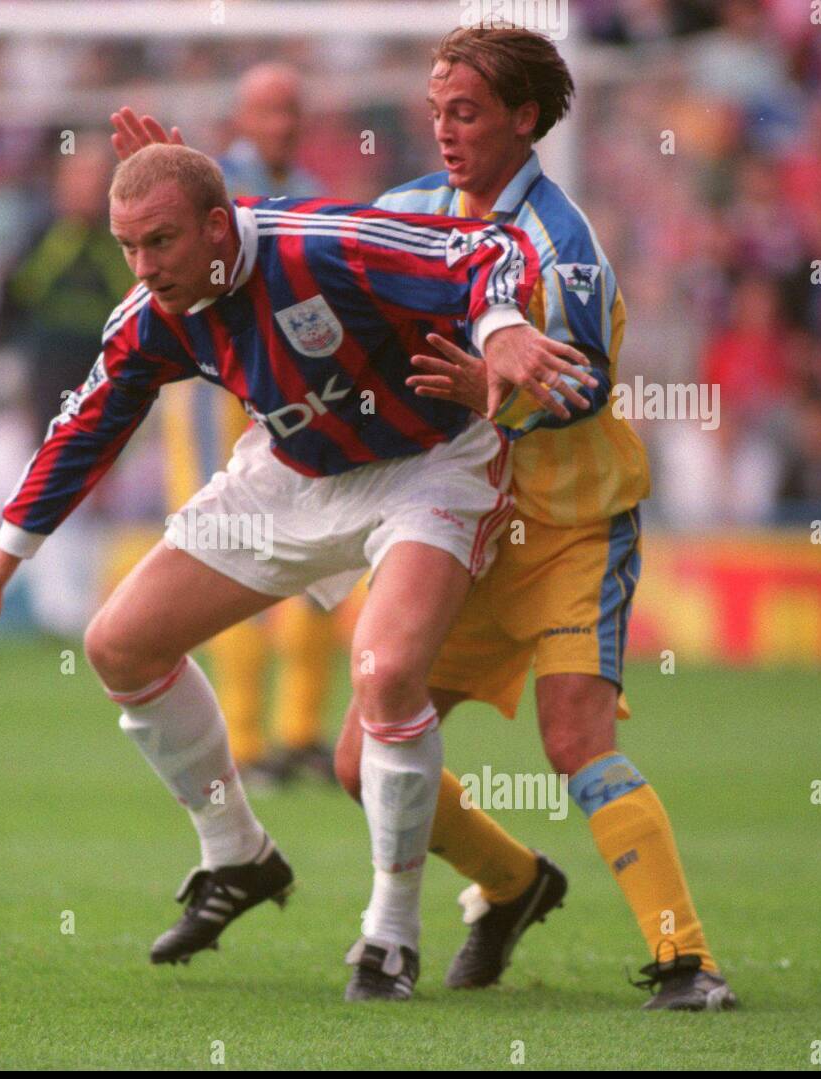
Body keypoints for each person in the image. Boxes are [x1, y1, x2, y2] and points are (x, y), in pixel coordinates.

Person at [111, 23, 737, 1013]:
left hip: (570, 525)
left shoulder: (562, 247)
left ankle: (684, 961)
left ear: (524, 119)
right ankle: (513, 883)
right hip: (462, 514)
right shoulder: (410, 209)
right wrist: (200, 188)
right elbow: (304, 246)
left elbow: (584, 389)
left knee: (572, 740)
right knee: (363, 757)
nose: (443, 130)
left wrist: (494, 378)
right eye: (437, 110)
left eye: (467, 113)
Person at [0, 142, 596, 1000]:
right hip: (291, 472)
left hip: (429, 464)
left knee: (386, 673)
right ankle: (236, 853)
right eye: (128, 246)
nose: (142, 267)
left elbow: (488, 249)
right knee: (118, 646)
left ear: (217, 225)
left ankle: (391, 930)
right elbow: (81, 433)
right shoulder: (151, 313)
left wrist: (500, 327)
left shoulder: (318, 243)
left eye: (160, 243)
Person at [141, 65, 343, 787]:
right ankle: (247, 742)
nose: (282, 123)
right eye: (268, 110)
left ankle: (297, 731)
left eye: (291, 109)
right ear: (240, 116)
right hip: (213, 395)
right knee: (227, 550)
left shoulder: (318, 193)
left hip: (296, 392)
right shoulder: (208, 190)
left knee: (323, 552)